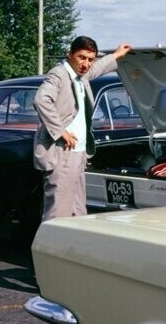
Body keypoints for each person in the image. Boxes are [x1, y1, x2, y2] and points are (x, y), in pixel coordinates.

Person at [34, 36, 132, 220]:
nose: (86, 64)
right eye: (81, 57)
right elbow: (41, 99)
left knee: (78, 212)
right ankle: (50, 248)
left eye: (90, 59)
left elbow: (97, 69)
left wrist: (117, 54)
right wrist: (60, 131)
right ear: (70, 54)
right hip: (62, 152)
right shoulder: (59, 74)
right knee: (58, 213)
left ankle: (71, 248)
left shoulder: (81, 74)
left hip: (78, 153)